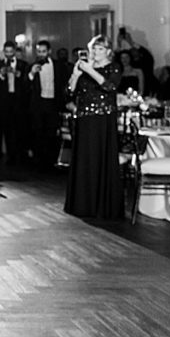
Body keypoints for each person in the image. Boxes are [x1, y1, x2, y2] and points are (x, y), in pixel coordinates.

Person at [64, 36, 124, 220]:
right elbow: (69, 92)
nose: (95, 52)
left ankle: (102, 205)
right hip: (84, 119)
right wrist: (75, 75)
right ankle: (83, 204)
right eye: (93, 49)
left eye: (99, 49)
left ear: (108, 51)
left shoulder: (113, 68)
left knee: (102, 158)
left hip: (103, 120)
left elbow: (109, 86)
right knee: (84, 159)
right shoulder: (85, 69)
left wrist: (90, 71)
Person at [27, 40, 69, 169]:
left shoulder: (58, 65)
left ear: (49, 52)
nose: (41, 54)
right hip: (39, 103)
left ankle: (51, 161)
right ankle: (38, 161)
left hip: (53, 103)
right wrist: (32, 73)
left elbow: (63, 83)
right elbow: (25, 85)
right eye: (39, 51)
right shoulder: (32, 65)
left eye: (43, 51)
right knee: (38, 132)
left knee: (52, 133)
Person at [0, 40, 29, 165]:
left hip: (18, 101)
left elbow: (27, 84)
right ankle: (8, 155)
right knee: (6, 129)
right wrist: (1, 75)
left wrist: (18, 75)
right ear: (4, 52)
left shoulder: (23, 65)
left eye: (11, 52)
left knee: (19, 128)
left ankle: (21, 154)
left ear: (14, 51)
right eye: (6, 52)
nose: (8, 54)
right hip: (4, 101)